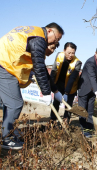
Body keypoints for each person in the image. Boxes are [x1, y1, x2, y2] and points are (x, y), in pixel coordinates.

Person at [0, 22, 64, 150]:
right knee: (15, 103)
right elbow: (39, 67)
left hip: (6, 63)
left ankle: (9, 132)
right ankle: (7, 138)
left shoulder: (34, 34)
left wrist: (55, 91)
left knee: (12, 103)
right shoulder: (39, 39)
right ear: (50, 31)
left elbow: (43, 70)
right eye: (56, 39)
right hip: (4, 64)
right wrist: (46, 93)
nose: (53, 44)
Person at [78, 45, 97, 135]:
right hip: (84, 88)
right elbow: (92, 77)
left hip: (93, 90)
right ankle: (84, 131)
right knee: (83, 111)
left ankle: (90, 130)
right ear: (96, 53)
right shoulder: (90, 62)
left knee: (90, 111)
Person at [50, 42, 82, 123]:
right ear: (64, 50)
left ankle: (65, 124)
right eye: (69, 53)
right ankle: (52, 121)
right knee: (56, 104)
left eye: (73, 53)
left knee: (68, 106)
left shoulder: (77, 63)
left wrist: (67, 92)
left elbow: (72, 78)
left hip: (71, 88)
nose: (71, 55)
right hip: (59, 84)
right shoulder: (59, 56)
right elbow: (54, 71)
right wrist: (51, 84)